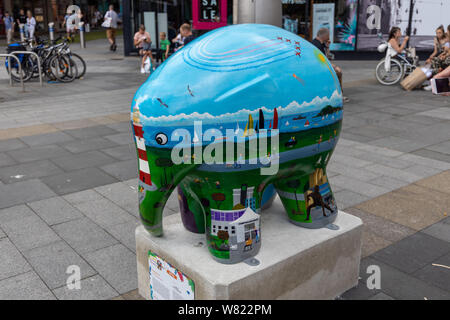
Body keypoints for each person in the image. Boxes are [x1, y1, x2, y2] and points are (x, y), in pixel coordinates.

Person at [311, 28, 349, 103]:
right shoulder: (317, 45)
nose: (329, 37)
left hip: (319, 66)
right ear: (325, 36)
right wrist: (332, 66)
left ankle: (337, 94)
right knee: (338, 72)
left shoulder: (320, 43)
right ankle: (339, 95)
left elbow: (326, 58)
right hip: (318, 68)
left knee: (337, 71)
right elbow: (321, 61)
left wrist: (327, 47)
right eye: (328, 36)